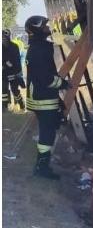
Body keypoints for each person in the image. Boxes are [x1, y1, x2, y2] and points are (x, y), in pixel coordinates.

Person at [24, 16, 68, 179]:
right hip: (43, 99)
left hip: (41, 97)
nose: (48, 28)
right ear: (37, 29)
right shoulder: (40, 49)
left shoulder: (37, 47)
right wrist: (62, 84)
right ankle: (42, 168)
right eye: (45, 26)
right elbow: (46, 78)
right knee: (47, 134)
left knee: (47, 132)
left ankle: (42, 166)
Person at [2, 29, 24, 110]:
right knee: (3, 89)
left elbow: (17, 59)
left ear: (8, 37)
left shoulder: (14, 46)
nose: (3, 39)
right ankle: (5, 106)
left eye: (5, 37)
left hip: (13, 71)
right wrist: (4, 64)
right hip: (4, 72)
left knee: (14, 90)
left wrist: (18, 72)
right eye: (2, 38)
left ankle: (21, 103)